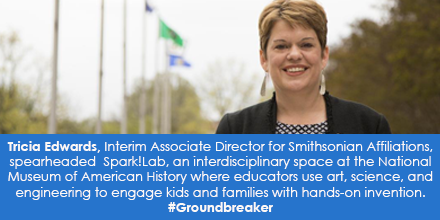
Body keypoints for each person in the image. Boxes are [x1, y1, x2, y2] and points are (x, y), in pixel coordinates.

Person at [216, 0, 391, 134]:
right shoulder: (235, 130)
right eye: (281, 46)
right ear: (264, 59)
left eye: (306, 45)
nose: (294, 55)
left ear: (324, 55)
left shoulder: (369, 126)